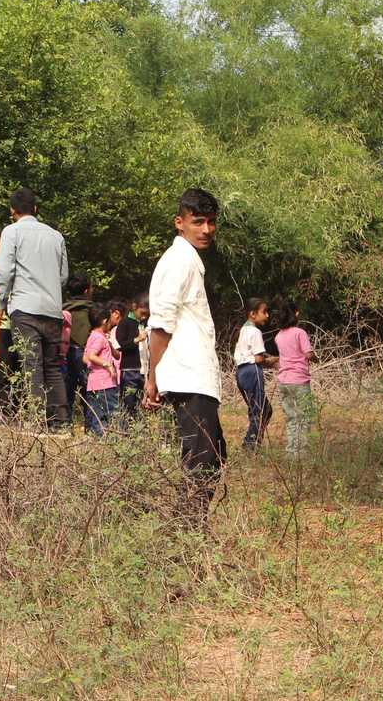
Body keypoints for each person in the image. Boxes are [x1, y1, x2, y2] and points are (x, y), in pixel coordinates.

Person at [142, 188, 226, 527]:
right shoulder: (179, 260)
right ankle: (185, 536)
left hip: (195, 374)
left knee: (212, 453)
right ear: (180, 223)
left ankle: (187, 530)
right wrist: (152, 377)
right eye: (197, 222)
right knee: (202, 458)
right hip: (187, 373)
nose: (205, 230)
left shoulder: (189, 259)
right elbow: (161, 323)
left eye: (210, 223)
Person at [0, 188, 71, 430]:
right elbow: (63, 275)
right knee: (52, 366)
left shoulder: (11, 232)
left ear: (12, 211)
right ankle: (60, 422)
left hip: (25, 308)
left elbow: (5, 271)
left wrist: (4, 301)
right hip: (52, 309)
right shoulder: (55, 235)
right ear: (35, 209)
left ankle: (36, 420)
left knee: (31, 365)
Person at [271, 297, 319, 456]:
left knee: (291, 418)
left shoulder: (278, 336)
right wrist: (315, 358)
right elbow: (308, 354)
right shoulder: (300, 333)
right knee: (304, 417)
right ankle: (302, 453)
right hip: (299, 380)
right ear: (296, 314)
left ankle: (291, 452)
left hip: (283, 381)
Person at [233, 298, 276, 449]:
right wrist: (276, 361)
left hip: (241, 372)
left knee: (263, 409)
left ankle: (253, 441)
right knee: (260, 410)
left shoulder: (243, 330)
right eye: (264, 312)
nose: (267, 316)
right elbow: (259, 358)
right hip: (252, 372)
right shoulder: (255, 331)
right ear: (252, 314)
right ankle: (251, 444)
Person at [82, 302, 121, 436]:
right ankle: (110, 439)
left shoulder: (92, 336)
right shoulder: (100, 338)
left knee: (96, 415)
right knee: (112, 413)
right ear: (104, 321)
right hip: (105, 383)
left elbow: (86, 358)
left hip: (93, 383)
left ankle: (97, 438)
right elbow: (92, 356)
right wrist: (107, 365)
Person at [62, 271, 94, 424]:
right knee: (89, 391)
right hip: (85, 354)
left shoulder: (62, 309)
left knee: (67, 391)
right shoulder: (92, 310)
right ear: (87, 290)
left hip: (64, 353)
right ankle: (91, 426)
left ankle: (64, 424)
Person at [113, 298, 147, 421]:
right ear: (134, 306)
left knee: (141, 402)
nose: (144, 317)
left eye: (146, 314)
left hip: (143, 369)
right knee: (129, 402)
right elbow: (122, 344)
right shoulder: (125, 323)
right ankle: (127, 429)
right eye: (142, 313)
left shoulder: (144, 324)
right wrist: (136, 339)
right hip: (130, 369)